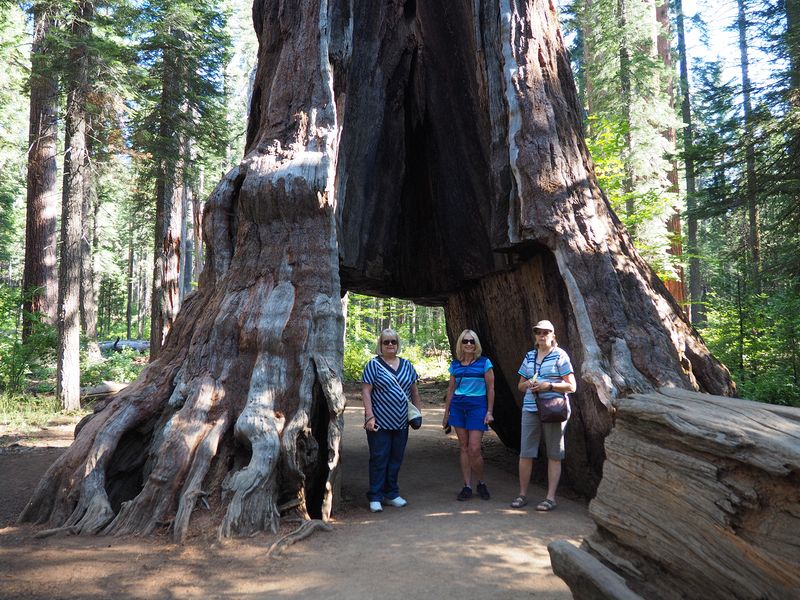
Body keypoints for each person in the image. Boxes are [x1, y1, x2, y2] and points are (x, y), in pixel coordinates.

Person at [511, 319, 576, 512]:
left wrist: (549, 385)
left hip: (553, 408)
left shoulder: (560, 355)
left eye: (546, 332)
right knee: (526, 452)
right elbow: (520, 385)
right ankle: (522, 494)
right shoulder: (530, 356)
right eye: (538, 332)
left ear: (553, 335)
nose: (542, 335)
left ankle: (550, 498)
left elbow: (572, 386)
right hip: (531, 408)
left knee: (554, 454)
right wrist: (530, 384)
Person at [362, 328, 423, 513]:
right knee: (379, 458)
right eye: (386, 342)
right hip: (379, 421)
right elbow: (366, 391)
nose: (390, 345)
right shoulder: (373, 365)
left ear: (398, 344)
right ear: (380, 345)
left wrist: (418, 413)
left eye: (393, 342)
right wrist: (369, 415)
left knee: (396, 458)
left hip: (401, 421)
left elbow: (414, 390)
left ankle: (392, 493)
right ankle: (375, 496)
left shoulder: (407, 365)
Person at [443, 329, 495, 501]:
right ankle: (467, 485)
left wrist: (489, 411)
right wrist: (446, 414)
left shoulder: (485, 363)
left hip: (477, 407)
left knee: (474, 448)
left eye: (472, 341)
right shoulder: (455, 365)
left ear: (476, 344)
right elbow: (451, 389)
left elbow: (491, 389)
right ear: (460, 344)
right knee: (464, 447)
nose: (469, 344)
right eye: (465, 341)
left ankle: (481, 482)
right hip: (458, 407)